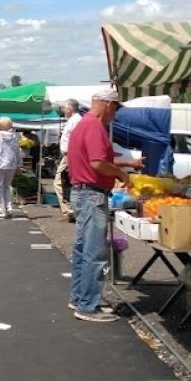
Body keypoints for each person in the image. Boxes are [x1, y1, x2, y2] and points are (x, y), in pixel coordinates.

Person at [67, 88, 142, 323]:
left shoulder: (84, 124)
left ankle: (80, 297)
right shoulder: (94, 127)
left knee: (83, 249)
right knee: (94, 252)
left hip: (83, 192)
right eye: (116, 108)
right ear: (108, 104)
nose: (115, 114)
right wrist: (122, 174)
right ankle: (88, 305)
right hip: (91, 194)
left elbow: (98, 160)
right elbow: (98, 163)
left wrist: (126, 163)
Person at [0, 117, 23, 219]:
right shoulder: (14, 137)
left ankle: (2, 210)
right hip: (11, 164)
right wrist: (19, 164)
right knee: (7, 186)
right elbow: (18, 152)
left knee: (0, 187)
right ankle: (9, 208)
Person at [54, 99, 81, 221]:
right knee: (66, 182)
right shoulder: (73, 120)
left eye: (64, 108)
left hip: (70, 155)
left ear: (69, 109)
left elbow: (76, 140)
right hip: (68, 155)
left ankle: (70, 210)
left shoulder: (76, 121)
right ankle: (70, 210)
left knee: (59, 182)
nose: (63, 111)